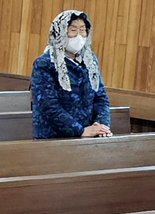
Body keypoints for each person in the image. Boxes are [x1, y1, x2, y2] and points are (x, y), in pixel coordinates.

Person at [31, 9, 111, 139]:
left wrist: (101, 126)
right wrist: (80, 131)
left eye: (82, 30)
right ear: (60, 32)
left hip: (89, 135)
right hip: (54, 137)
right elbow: (48, 105)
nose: (79, 35)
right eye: (73, 30)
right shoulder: (45, 63)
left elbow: (100, 97)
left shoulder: (90, 61)